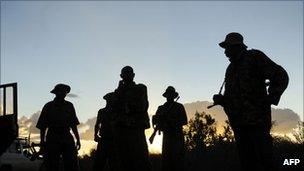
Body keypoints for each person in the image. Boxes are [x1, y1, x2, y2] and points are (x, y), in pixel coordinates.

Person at [212, 32, 289, 171]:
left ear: (236, 46)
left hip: (257, 122)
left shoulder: (254, 57)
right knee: (247, 163)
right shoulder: (230, 69)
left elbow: (280, 75)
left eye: (227, 47)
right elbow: (232, 97)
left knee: (265, 161)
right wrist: (222, 100)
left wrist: (271, 97)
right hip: (239, 125)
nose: (225, 51)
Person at [113, 66, 151, 171]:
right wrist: (119, 91)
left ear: (133, 75)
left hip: (136, 128)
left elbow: (142, 106)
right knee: (123, 160)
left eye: (129, 73)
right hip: (121, 130)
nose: (127, 76)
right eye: (124, 74)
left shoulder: (140, 88)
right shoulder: (118, 92)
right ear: (121, 76)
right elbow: (113, 108)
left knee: (141, 159)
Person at [36, 84, 81, 171]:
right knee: (52, 164)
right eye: (61, 91)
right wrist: (42, 143)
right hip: (53, 137)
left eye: (65, 92)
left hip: (67, 136)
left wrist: (78, 139)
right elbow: (42, 126)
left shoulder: (69, 106)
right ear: (56, 93)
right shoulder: (48, 106)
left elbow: (73, 124)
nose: (63, 93)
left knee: (72, 163)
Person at [152, 86, 187, 171]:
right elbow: (155, 121)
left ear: (174, 96)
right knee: (166, 160)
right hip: (167, 137)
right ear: (166, 95)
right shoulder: (161, 108)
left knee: (178, 160)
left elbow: (184, 121)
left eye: (171, 94)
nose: (170, 96)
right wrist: (158, 119)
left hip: (177, 137)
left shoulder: (179, 107)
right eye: (168, 94)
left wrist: (171, 120)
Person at [93, 92, 119, 171]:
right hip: (104, 140)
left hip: (115, 140)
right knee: (99, 163)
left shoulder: (117, 112)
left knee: (115, 164)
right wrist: (95, 135)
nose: (112, 101)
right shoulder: (102, 111)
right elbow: (97, 124)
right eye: (110, 99)